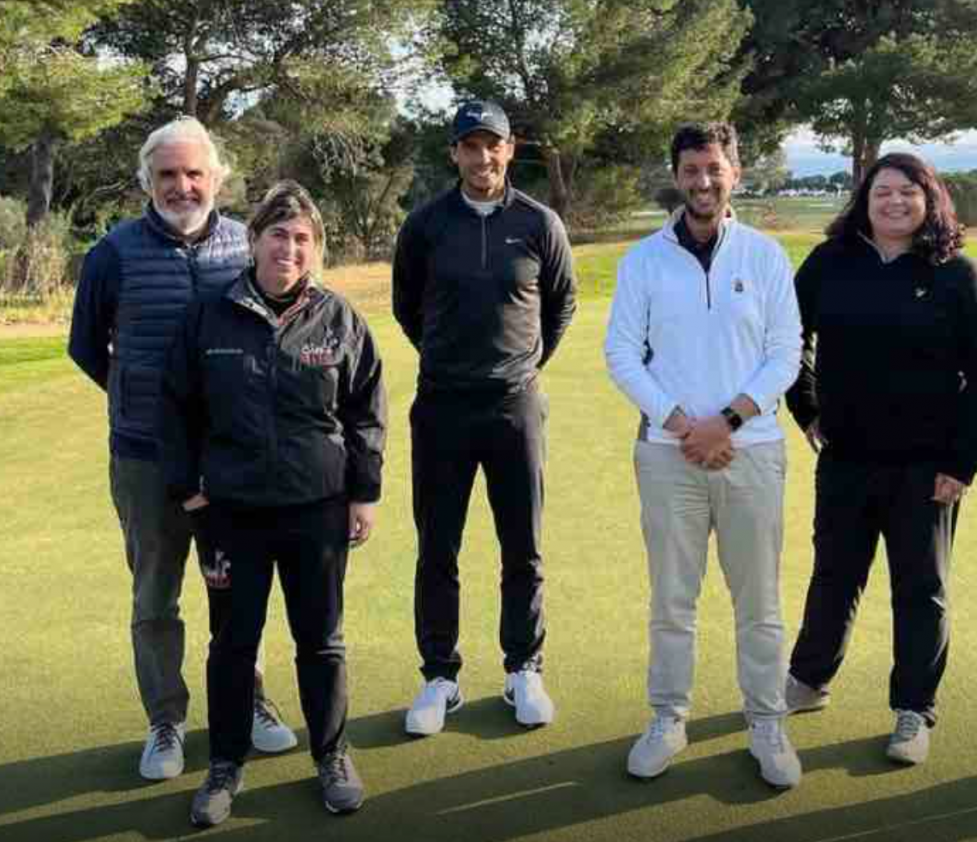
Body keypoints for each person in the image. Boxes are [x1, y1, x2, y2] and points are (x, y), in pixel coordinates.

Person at [67, 117, 296, 781]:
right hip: (144, 457)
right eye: (168, 174)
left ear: (216, 179)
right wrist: (142, 402)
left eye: (195, 173)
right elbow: (87, 348)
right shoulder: (113, 253)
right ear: (148, 181)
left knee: (238, 590)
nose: (182, 185)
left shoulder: (242, 247)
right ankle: (165, 721)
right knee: (155, 596)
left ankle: (248, 699)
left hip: (229, 456)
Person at [158, 181, 386, 826]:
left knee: (322, 642)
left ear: (316, 251)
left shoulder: (340, 319)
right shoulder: (211, 315)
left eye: (303, 239)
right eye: (278, 235)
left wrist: (364, 491)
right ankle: (225, 765)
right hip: (232, 512)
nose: (289, 248)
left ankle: (332, 754)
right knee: (233, 643)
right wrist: (190, 488)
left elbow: (366, 410)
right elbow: (174, 407)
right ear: (254, 239)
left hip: (317, 509)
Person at [782, 153, 977, 766]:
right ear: (865, 199)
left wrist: (962, 464)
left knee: (921, 590)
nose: (894, 202)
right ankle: (808, 680)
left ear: (930, 200)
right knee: (834, 575)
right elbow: (786, 338)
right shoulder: (831, 262)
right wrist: (806, 408)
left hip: (926, 467)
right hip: (847, 459)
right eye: (883, 191)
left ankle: (913, 709)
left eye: (909, 192)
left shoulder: (958, 274)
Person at [604, 121, 804, 788]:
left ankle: (766, 722)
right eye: (691, 169)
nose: (703, 181)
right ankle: (667, 717)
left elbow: (785, 355)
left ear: (735, 174)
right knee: (672, 600)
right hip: (668, 456)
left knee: (760, 603)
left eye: (714, 168)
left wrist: (725, 422)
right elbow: (621, 354)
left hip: (752, 452)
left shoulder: (766, 256)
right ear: (677, 175)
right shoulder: (643, 260)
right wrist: (683, 424)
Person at [393, 99, 577, 735]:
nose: (482, 157)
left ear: (510, 147)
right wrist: (451, 361)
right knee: (437, 545)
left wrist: (521, 366)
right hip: (442, 404)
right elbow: (405, 307)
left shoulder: (538, 223)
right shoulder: (425, 225)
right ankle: (439, 676)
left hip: (513, 406)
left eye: (492, 145)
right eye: (470, 146)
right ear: (454, 154)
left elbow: (560, 306)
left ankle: (523, 666)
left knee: (521, 545)